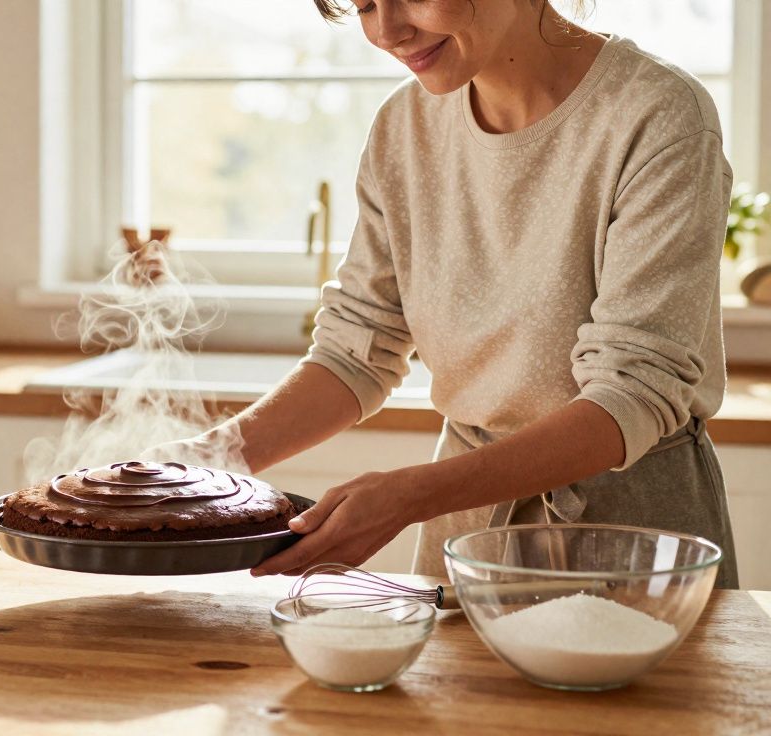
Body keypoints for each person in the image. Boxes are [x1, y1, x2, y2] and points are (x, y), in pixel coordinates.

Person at [179, 0, 739, 586]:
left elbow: (632, 392)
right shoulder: (404, 128)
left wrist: (408, 495)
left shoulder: (657, 114)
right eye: (364, 4)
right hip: (467, 536)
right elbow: (355, 354)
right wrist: (196, 467)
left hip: (633, 543)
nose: (387, 31)